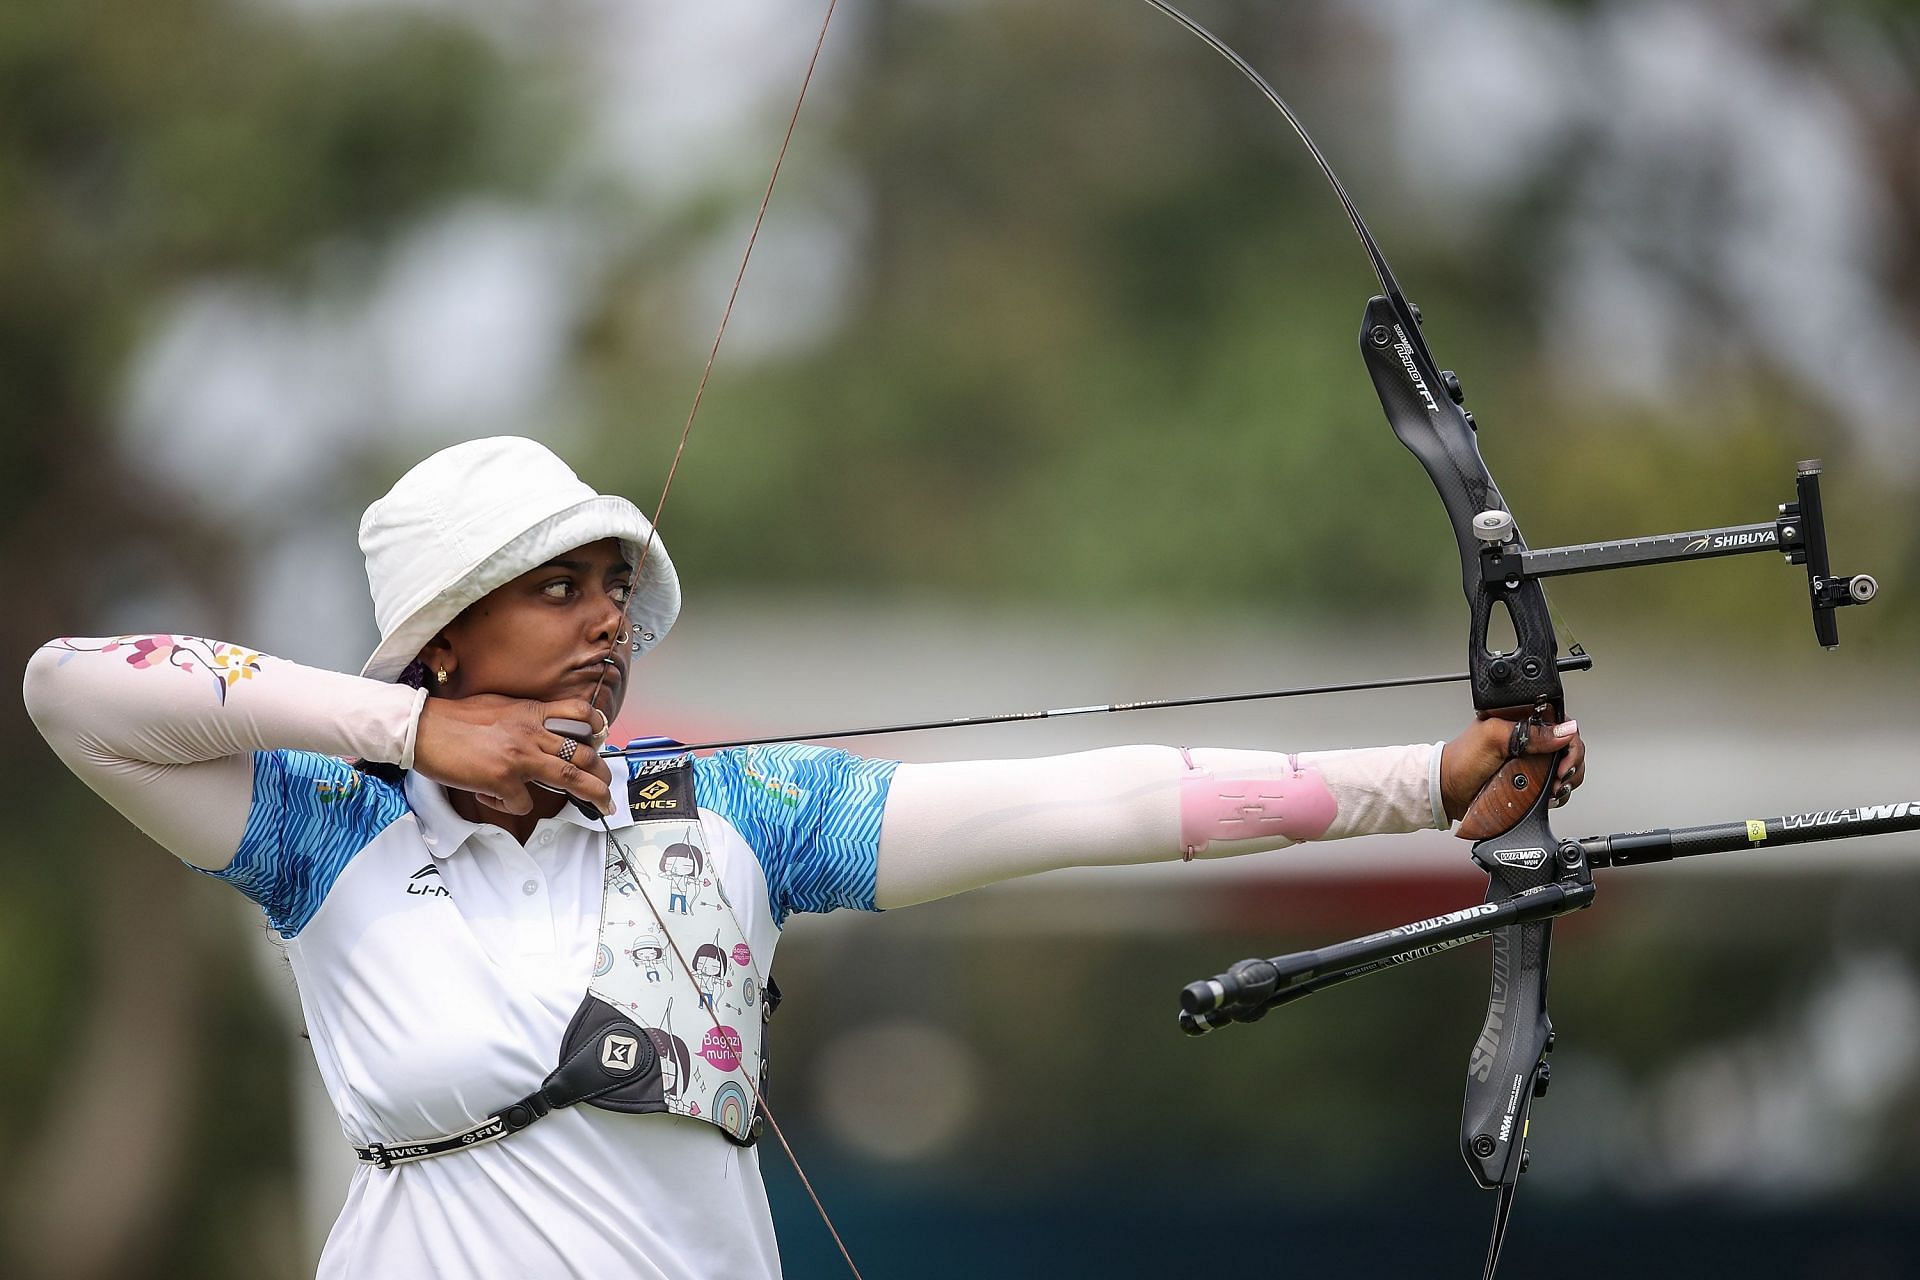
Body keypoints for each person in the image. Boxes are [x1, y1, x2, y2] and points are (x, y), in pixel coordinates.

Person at [22, 437, 1585, 1280]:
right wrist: (415, 741)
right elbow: (71, 687)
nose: (606, 619)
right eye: (554, 588)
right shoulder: (324, 831)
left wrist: (1418, 780)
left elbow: (1081, 805)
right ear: (444, 642)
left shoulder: (730, 817)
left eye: (613, 589)